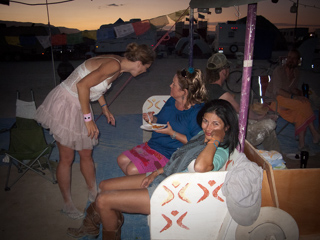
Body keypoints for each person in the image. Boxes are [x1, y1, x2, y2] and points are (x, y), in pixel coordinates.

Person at [66, 99, 239, 239]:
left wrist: (215, 139)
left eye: (215, 124)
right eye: (205, 121)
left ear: (227, 127)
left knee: (103, 200)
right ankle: (99, 223)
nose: (208, 128)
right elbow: (179, 158)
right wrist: (156, 172)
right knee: (104, 186)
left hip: (173, 193)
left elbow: (200, 167)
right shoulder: (203, 135)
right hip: (166, 176)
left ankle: (107, 227)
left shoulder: (219, 150)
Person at [35, 43, 156, 220]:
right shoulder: (114, 65)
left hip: (81, 105)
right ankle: (67, 204)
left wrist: (105, 108)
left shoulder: (119, 67)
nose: (145, 71)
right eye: (146, 67)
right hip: (68, 103)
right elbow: (82, 86)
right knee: (67, 157)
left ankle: (93, 192)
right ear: (138, 62)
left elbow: (96, 86)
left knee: (86, 153)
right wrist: (88, 119)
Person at [117, 68, 208, 175]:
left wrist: (172, 133)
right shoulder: (172, 100)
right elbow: (161, 120)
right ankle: (142, 185)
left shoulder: (197, 113)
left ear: (184, 92)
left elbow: (196, 142)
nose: (170, 85)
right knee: (121, 159)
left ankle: (147, 186)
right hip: (154, 144)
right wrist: (153, 118)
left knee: (132, 170)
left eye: (174, 84)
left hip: (170, 153)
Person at [205, 52, 280, 151]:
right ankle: (276, 158)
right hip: (228, 135)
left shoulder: (205, 88)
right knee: (270, 123)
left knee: (262, 125)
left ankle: (273, 156)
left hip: (214, 127)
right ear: (223, 71)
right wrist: (261, 117)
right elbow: (241, 111)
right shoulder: (222, 94)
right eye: (227, 68)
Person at [265, 48, 320, 151]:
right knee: (304, 104)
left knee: (300, 112)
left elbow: (291, 89)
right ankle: (314, 132)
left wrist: (298, 92)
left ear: (298, 61)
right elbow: (277, 91)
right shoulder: (279, 71)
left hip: (286, 101)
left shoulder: (296, 73)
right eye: (289, 57)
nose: (290, 60)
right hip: (274, 100)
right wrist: (294, 97)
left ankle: (302, 145)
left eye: (294, 58)